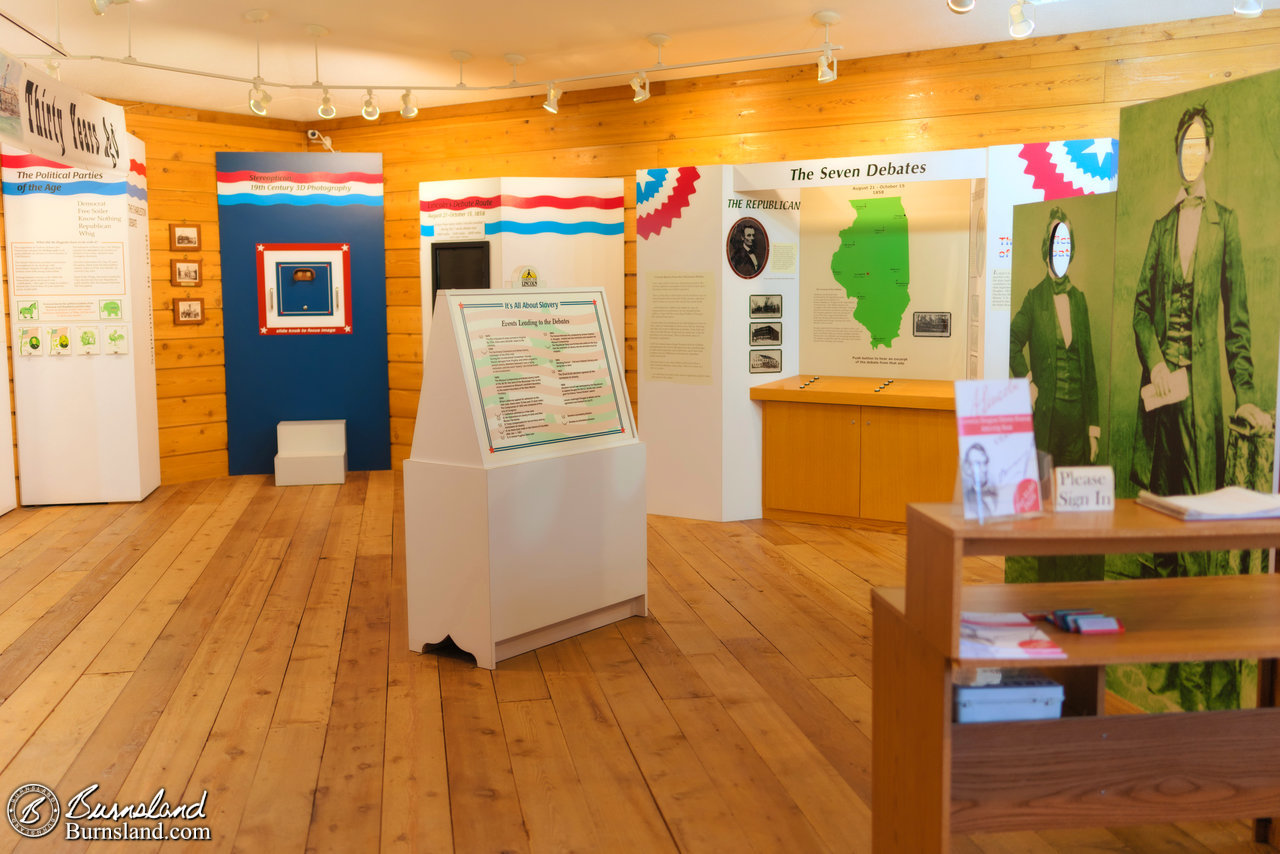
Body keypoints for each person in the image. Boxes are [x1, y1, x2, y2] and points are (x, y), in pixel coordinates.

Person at [1130, 104, 1272, 711]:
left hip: (1206, 408)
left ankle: (1198, 677)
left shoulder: (1226, 224)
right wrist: (1158, 360)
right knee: (1161, 529)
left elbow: (1237, 323)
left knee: (1201, 531)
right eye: (1182, 144)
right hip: (1163, 403)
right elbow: (1140, 307)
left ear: (1210, 151)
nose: (1190, 153)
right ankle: (1159, 667)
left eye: (1198, 144)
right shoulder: (1162, 227)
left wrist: (1246, 398)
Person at [1009, 208, 1103, 580]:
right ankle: (1048, 586)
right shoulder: (1034, 299)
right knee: (1048, 508)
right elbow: (1012, 344)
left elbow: (1090, 367)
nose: (1059, 249)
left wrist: (1093, 428)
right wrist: (1028, 382)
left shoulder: (1078, 300)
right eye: (1054, 242)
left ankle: (1072, 587)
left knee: (1073, 509)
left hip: (1078, 426)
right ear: (1045, 250)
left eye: (1065, 242)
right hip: (1047, 425)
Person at [961, 443, 998, 519]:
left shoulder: (995, 493)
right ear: (969, 468)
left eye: (985, 463)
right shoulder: (966, 500)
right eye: (978, 464)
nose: (984, 469)